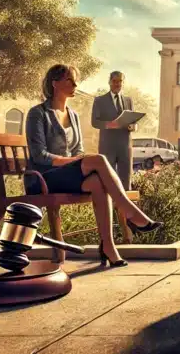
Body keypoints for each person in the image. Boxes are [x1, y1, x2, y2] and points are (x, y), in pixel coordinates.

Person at [25, 64, 163, 267]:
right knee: (98, 159)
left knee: (98, 182)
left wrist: (78, 159)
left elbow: (78, 149)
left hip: (66, 176)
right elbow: (39, 155)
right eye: (69, 80)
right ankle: (130, 213)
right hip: (44, 178)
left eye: (75, 80)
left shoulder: (72, 115)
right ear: (55, 84)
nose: (75, 84)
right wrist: (74, 161)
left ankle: (109, 246)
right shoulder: (38, 114)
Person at [91, 70, 136, 188]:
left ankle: (124, 206)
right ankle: (108, 206)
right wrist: (109, 124)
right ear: (109, 82)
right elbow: (94, 122)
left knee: (126, 180)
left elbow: (133, 122)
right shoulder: (99, 100)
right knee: (107, 180)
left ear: (123, 83)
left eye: (120, 81)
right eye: (114, 81)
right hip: (107, 146)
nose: (117, 84)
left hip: (125, 147)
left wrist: (133, 126)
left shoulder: (128, 101)